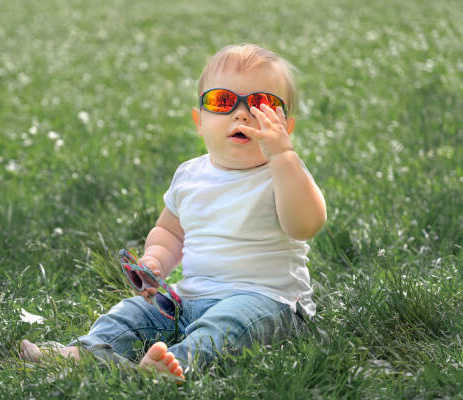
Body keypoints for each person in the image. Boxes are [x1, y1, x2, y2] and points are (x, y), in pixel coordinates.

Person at [20, 43, 327, 382]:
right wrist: (156, 262)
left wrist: (283, 155)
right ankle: (84, 351)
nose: (241, 113)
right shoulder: (190, 175)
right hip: (189, 296)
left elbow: (306, 224)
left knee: (226, 326)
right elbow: (170, 232)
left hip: (267, 300)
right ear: (199, 121)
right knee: (133, 313)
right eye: (222, 101)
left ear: (287, 126)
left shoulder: (283, 174)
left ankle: (174, 364)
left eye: (261, 104)